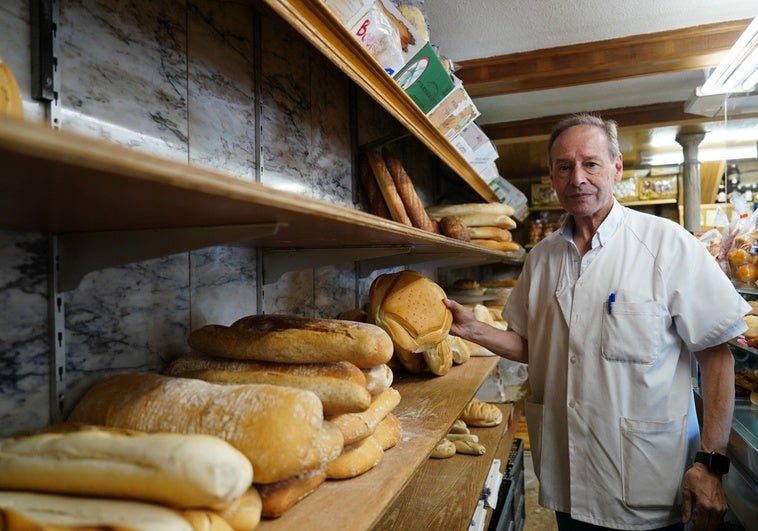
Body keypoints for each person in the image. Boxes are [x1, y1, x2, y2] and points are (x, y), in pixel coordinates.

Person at [444, 113, 748, 531]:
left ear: (617, 167)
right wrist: (472, 329)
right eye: (564, 167)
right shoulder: (541, 259)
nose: (578, 178)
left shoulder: (666, 244)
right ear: (552, 176)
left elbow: (717, 357)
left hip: (649, 487)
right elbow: (539, 349)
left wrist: (711, 464)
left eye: (591, 163)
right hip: (569, 482)